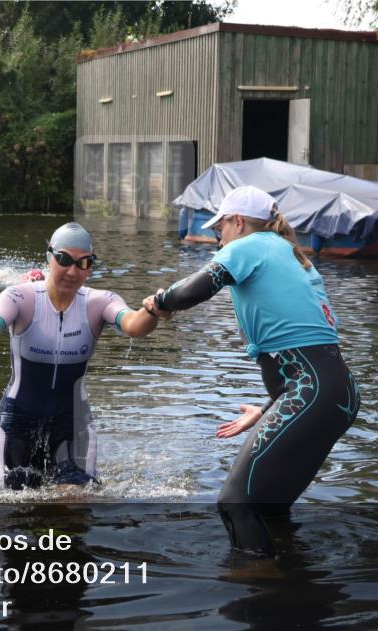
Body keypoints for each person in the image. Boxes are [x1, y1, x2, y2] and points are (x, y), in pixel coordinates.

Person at [143, 185, 360, 554]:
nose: (219, 238)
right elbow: (311, 354)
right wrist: (268, 409)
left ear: (239, 222)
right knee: (268, 509)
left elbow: (194, 289)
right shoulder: (292, 255)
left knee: (235, 504)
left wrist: (158, 302)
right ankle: (289, 576)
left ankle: (258, 579)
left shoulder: (250, 245)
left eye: (220, 229)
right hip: (336, 393)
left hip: (311, 393)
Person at [0, 223, 163, 490]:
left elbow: (134, 326)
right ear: (49, 256)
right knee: (15, 506)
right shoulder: (20, 297)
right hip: (19, 422)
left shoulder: (99, 302)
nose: (72, 271)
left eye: (83, 263)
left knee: (74, 501)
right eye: (64, 260)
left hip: (73, 422)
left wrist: (153, 310)